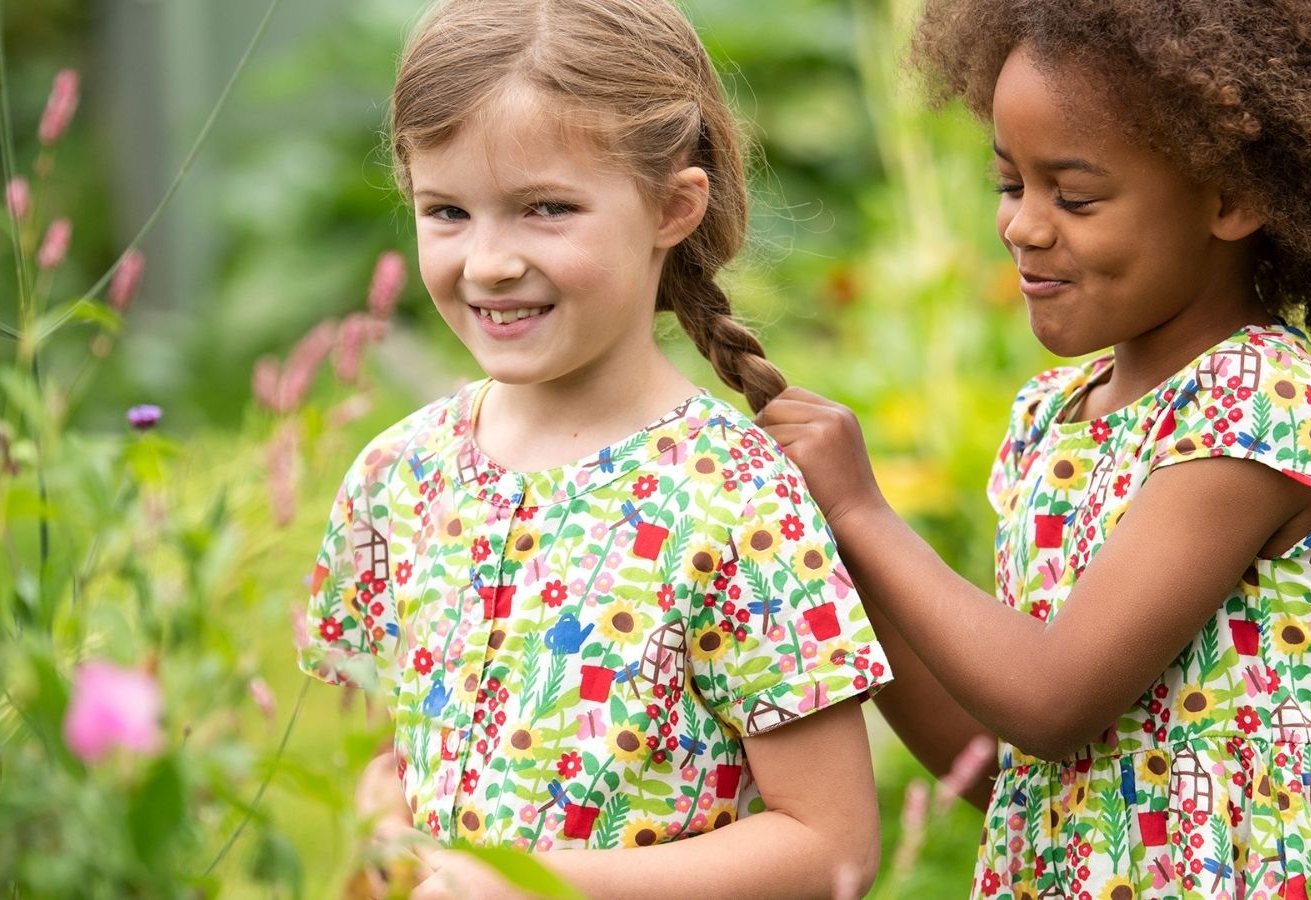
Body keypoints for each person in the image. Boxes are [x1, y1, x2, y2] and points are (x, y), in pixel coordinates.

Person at [758, 1, 1311, 896]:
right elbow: (1001, 762)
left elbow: (1051, 701)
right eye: (1011, 185)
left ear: (1232, 198)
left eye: (1076, 195)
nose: (1023, 226)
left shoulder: (1257, 408)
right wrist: (843, 562)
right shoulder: (1054, 418)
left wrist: (863, 513)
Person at [298, 1, 892, 895]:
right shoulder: (395, 477)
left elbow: (831, 843)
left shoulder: (734, 496)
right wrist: (378, 825)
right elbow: (373, 760)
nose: (488, 261)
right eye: (448, 210)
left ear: (672, 208)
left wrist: (528, 886)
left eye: (545, 208)